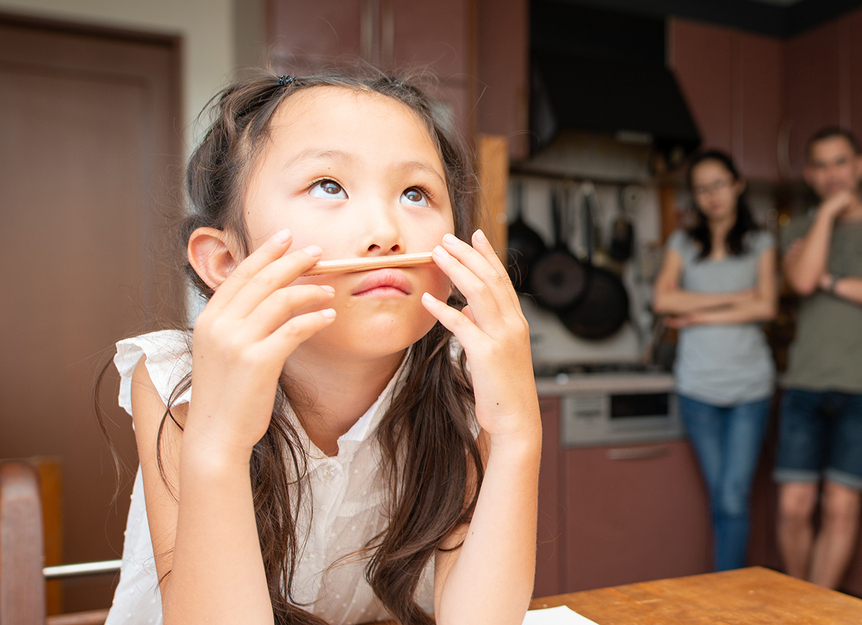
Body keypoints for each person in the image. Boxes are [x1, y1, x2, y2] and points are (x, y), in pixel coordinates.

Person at [102, 70, 540, 625]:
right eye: (328, 185)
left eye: (415, 193)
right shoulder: (174, 379)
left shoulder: (462, 374)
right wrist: (220, 442)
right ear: (227, 262)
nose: (385, 231)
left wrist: (517, 430)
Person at [776, 127, 862, 589]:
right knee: (793, 506)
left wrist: (833, 283)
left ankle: (816, 612)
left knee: (840, 507)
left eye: (841, 162)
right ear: (809, 175)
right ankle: (799, 611)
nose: (833, 173)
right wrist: (828, 215)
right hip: (805, 384)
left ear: (861, 165)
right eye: (822, 165)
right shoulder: (798, 229)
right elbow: (800, 281)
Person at [652, 150, 777, 571]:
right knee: (722, 497)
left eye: (719, 184)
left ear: (738, 185)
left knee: (732, 496)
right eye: (702, 188)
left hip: (750, 387)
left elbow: (766, 307)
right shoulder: (683, 243)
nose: (712, 195)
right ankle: (727, 592)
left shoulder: (761, 243)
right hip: (697, 387)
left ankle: (730, 596)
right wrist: (736, 297)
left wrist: (700, 315)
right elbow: (662, 299)